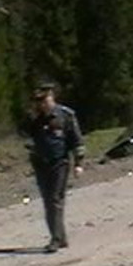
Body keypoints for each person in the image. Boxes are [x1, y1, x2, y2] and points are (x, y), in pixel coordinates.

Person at [23, 83, 85, 252]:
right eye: (38, 102)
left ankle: (56, 239)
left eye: (45, 100)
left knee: (54, 200)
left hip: (60, 163)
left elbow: (77, 141)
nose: (42, 104)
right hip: (41, 164)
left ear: (52, 98)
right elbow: (28, 139)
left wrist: (79, 163)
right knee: (48, 201)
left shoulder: (66, 116)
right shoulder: (35, 119)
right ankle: (61, 237)